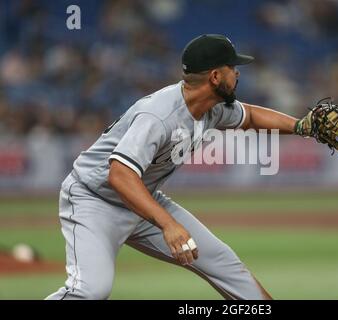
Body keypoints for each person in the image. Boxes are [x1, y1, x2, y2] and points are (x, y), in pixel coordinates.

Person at [46, 34, 313, 300]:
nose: (237, 73)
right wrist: (168, 224)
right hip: (94, 201)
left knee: (224, 263)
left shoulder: (214, 107)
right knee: (91, 291)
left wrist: (302, 127)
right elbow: (120, 174)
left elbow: (252, 116)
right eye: (232, 67)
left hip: (143, 198)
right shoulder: (159, 115)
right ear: (215, 77)